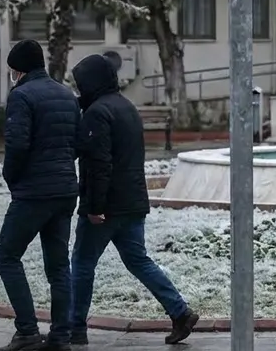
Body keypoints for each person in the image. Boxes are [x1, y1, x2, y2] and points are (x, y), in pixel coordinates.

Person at [68, 54, 200, 346]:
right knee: (138, 260)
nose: (79, 90)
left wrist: (95, 207)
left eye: (80, 84)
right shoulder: (125, 107)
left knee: (82, 262)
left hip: (107, 207)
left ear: (91, 82)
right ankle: (180, 312)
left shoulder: (96, 114)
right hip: (133, 202)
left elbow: (99, 164)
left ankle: (74, 327)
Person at [0, 40, 82, 351]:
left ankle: (27, 329)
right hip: (65, 190)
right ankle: (61, 337)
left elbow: (16, 146)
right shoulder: (66, 94)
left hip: (33, 192)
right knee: (59, 265)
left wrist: (11, 177)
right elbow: (76, 143)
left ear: (18, 70)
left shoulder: (21, 96)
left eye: (11, 71)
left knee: (6, 255)